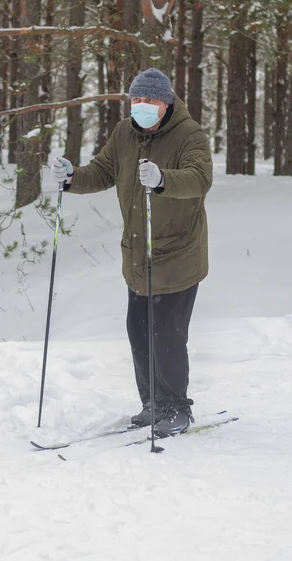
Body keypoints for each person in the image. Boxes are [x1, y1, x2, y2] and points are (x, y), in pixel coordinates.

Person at [50, 67, 213, 437]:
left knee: (167, 335)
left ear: (166, 103)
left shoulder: (190, 135)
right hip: (138, 256)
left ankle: (176, 408)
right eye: (136, 99)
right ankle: (152, 403)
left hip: (177, 254)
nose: (142, 106)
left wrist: (162, 180)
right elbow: (104, 171)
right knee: (139, 331)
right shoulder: (125, 132)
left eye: (150, 100)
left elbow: (200, 179)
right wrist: (72, 177)